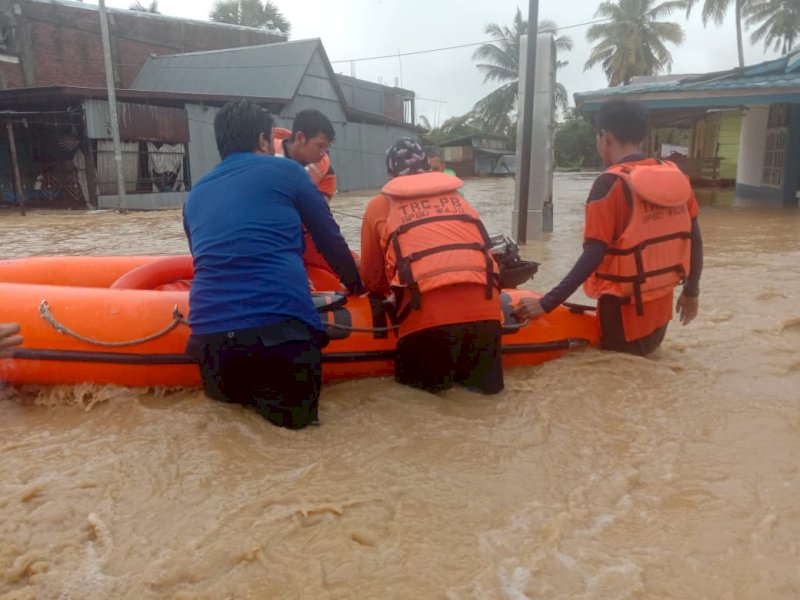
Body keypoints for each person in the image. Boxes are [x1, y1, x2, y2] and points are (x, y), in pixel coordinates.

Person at [182, 100, 364, 430]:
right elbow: (329, 239)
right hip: (279, 334)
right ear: (264, 141)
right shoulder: (289, 172)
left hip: (211, 345)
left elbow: (203, 259)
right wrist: (358, 285)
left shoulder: (195, 195)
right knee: (299, 442)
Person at [514, 100, 703, 356]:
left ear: (606, 137)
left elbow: (593, 254)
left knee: (617, 375)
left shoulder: (610, 184)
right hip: (660, 305)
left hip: (623, 312)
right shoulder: (675, 177)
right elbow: (695, 240)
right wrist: (691, 291)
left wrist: (545, 304)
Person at [360, 138, 504, 394]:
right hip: (488, 313)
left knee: (422, 414)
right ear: (427, 167)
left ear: (391, 174)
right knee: (485, 405)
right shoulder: (457, 199)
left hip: (427, 319)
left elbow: (372, 281)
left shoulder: (379, 206)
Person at [273, 110, 339, 273]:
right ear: (301, 137)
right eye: (320, 146)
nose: (323, 153)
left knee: (355, 264)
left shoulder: (326, 173)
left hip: (305, 235)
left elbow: (318, 219)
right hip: (269, 236)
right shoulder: (264, 154)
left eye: (326, 148)